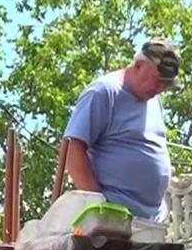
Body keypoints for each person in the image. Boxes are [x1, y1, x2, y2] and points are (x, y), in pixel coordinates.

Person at [60, 39, 181, 221]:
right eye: (157, 81)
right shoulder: (104, 92)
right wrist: (98, 206)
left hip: (150, 221)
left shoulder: (153, 100)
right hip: (113, 221)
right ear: (139, 65)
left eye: (166, 85)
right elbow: (72, 148)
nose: (159, 89)